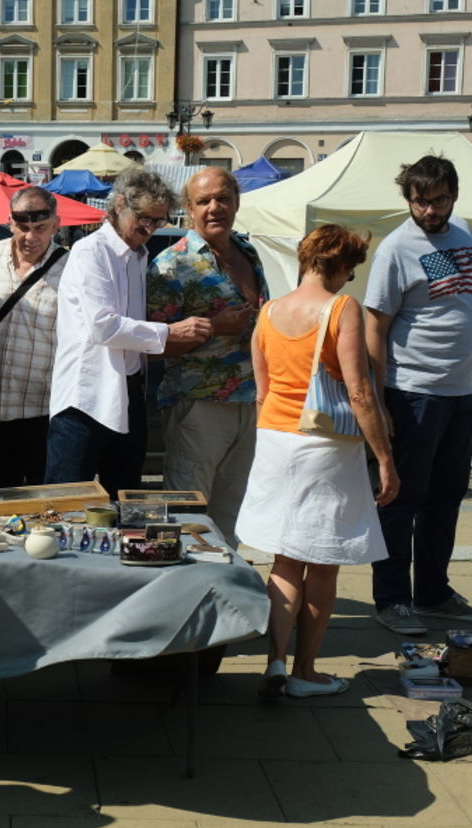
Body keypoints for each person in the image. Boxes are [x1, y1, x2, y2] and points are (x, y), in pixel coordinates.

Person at [236, 225, 399, 699]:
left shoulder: (267, 312)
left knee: (285, 562)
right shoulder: (341, 308)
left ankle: (274, 664)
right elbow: (359, 390)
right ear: (342, 265)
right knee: (324, 563)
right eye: (352, 268)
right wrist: (384, 457)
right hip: (324, 447)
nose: (351, 279)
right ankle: (306, 671)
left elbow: (262, 390)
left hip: (274, 441)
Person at [365, 154, 472, 635]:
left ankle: (435, 593)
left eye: (438, 200)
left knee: (447, 497)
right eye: (420, 202)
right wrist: (379, 399)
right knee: (401, 498)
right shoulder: (396, 249)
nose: (429, 211)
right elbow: (375, 326)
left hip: (457, 392)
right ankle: (393, 599)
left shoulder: (463, 233)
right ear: (408, 199)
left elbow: (468, 305)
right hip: (412, 391)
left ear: (454, 196)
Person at [47, 167, 211, 499]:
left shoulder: (139, 255)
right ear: (120, 204)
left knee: (125, 502)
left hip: (127, 390)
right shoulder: (91, 252)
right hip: (86, 396)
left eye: (159, 221)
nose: (150, 229)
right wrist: (170, 332)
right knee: (66, 503)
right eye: (145, 219)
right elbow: (103, 326)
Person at [147, 167, 267, 545]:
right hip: (198, 406)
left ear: (236, 202)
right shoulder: (171, 265)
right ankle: (185, 598)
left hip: (249, 405)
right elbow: (154, 346)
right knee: (187, 517)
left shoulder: (249, 252)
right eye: (204, 201)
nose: (215, 207)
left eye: (223, 198)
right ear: (188, 208)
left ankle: (225, 597)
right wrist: (214, 327)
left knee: (233, 516)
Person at [0, 186, 69, 493]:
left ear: (56, 224)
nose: (30, 237)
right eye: (22, 227)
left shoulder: (71, 268)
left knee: (41, 511)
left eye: (40, 228)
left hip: (42, 414)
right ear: (10, 222)